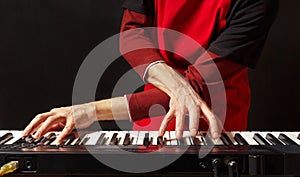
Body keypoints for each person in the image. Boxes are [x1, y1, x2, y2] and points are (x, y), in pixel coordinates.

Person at [22, 0, 278, 145]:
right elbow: (133, 32)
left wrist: (89, 111)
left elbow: (197, 86)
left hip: (218, 123)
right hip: (151, 117)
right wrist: (175, 84)